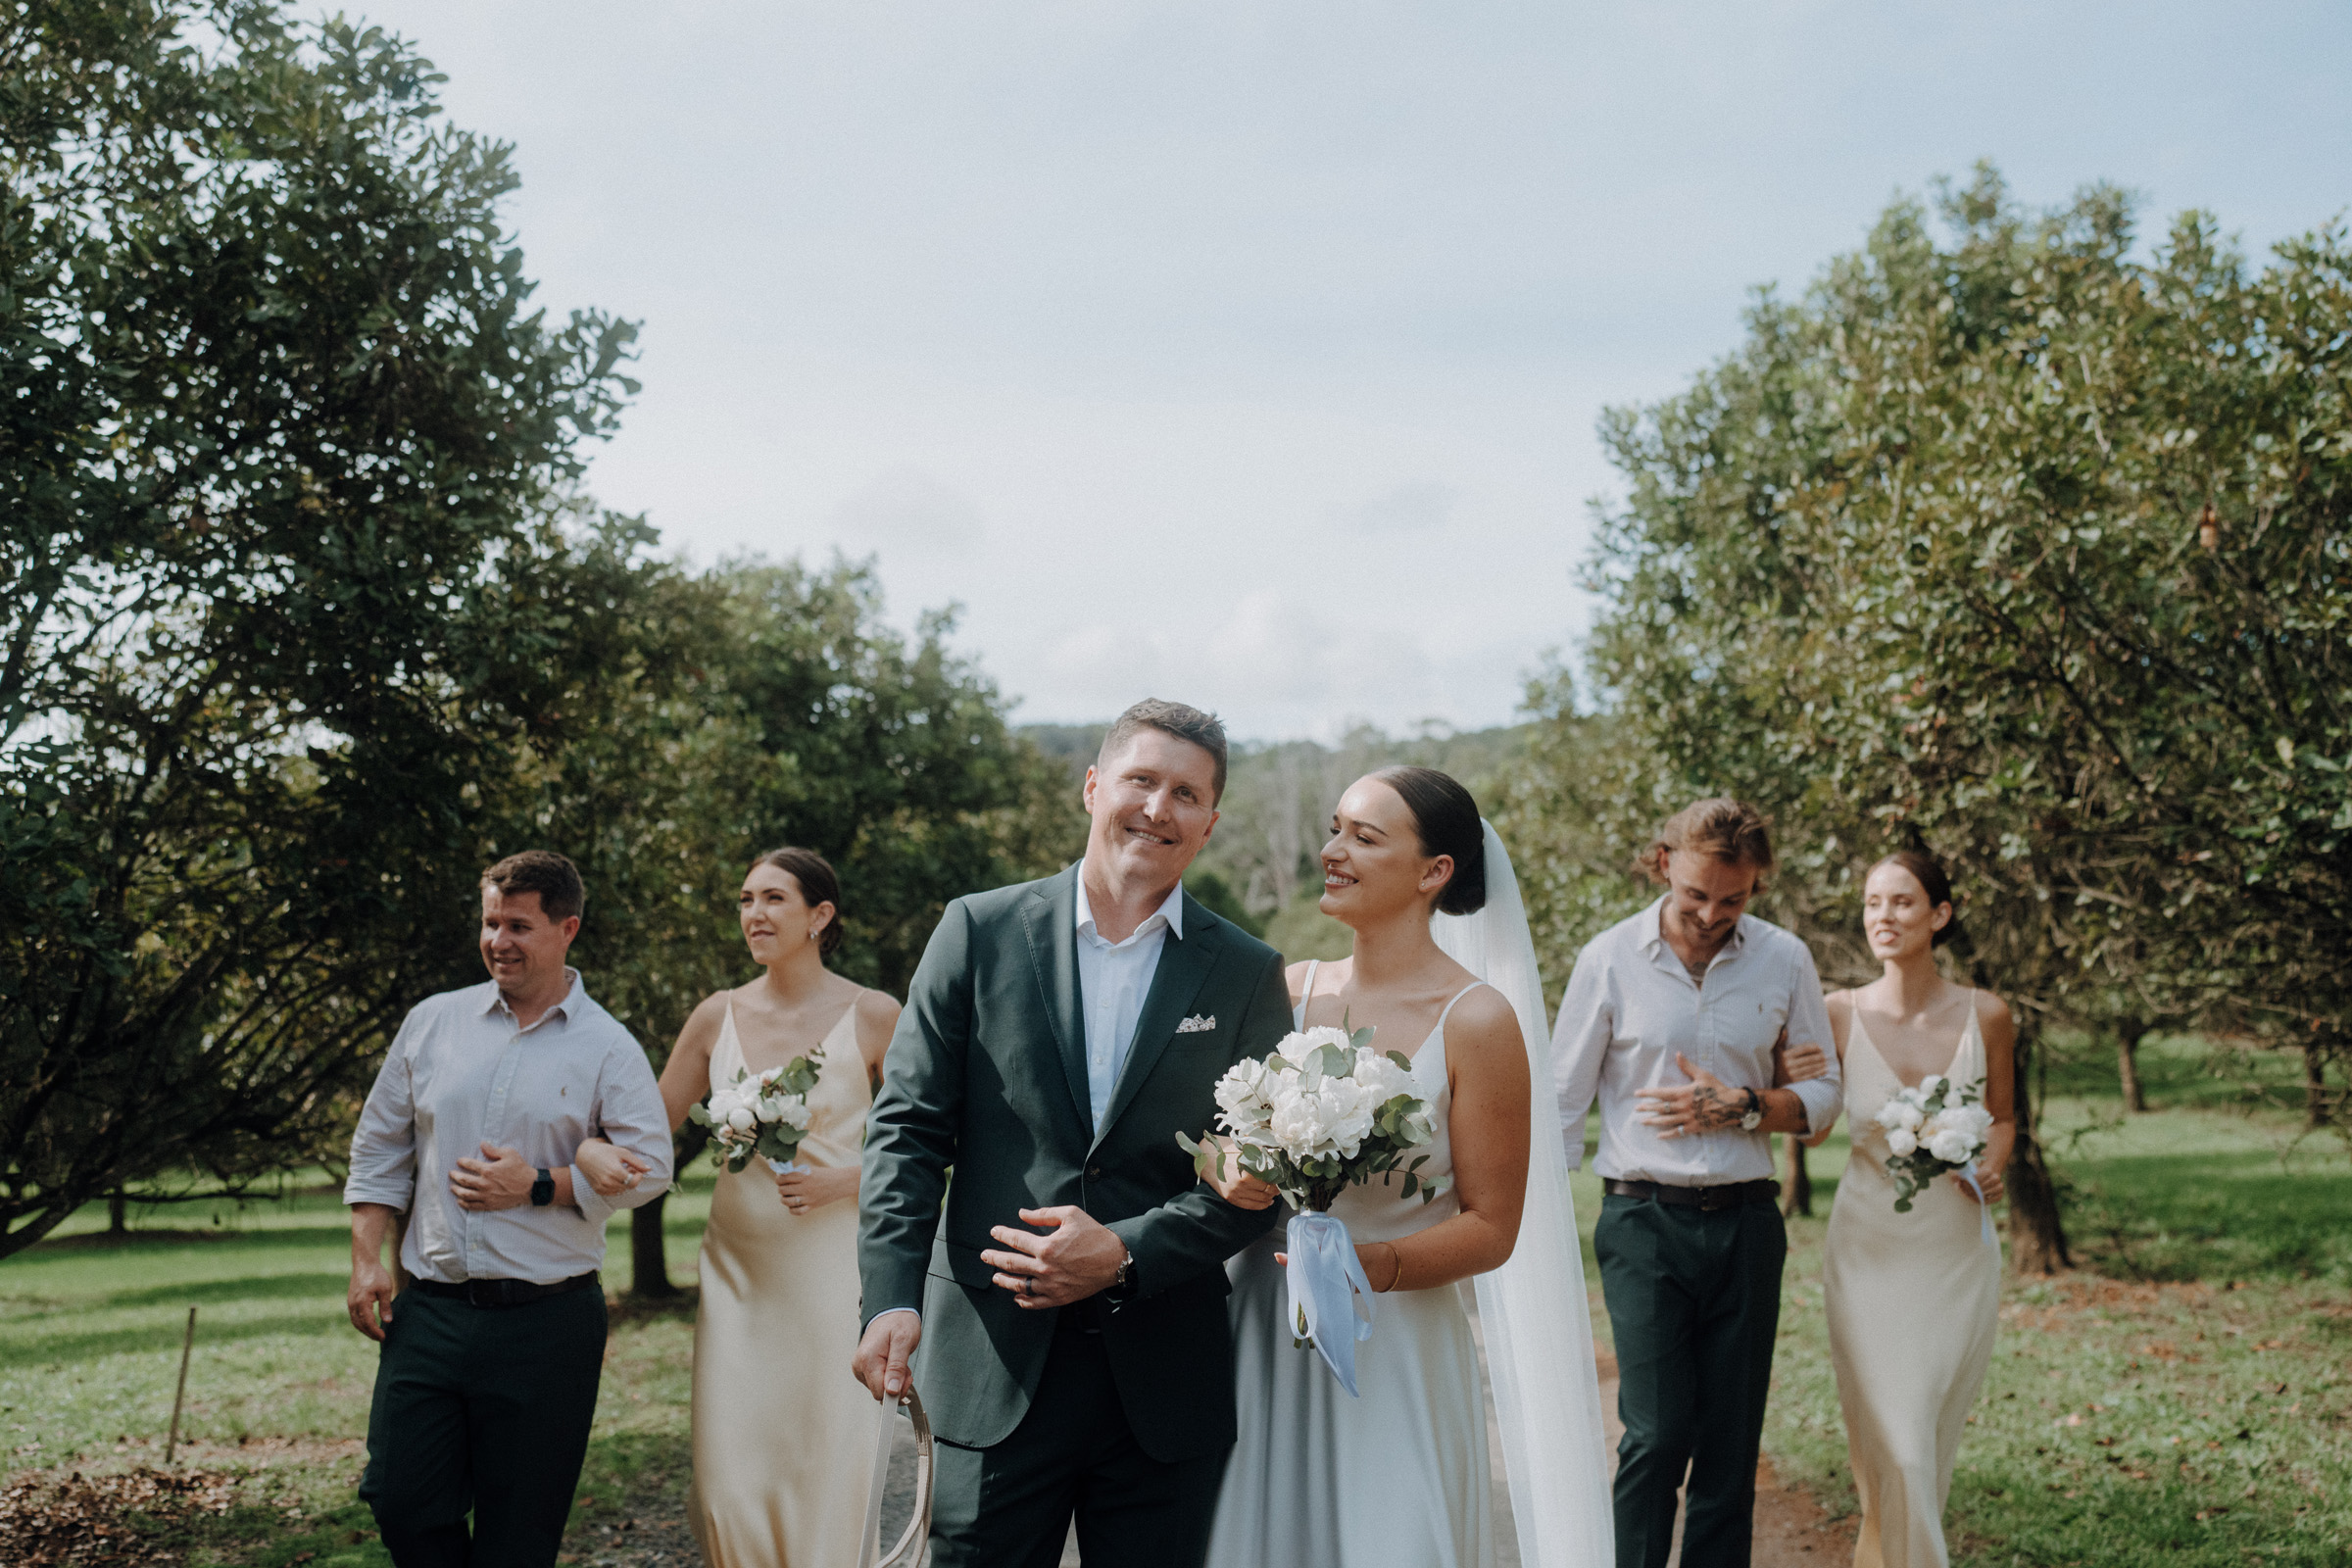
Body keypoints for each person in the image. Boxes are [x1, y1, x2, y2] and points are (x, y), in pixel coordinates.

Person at [854, 698, 1292, 1568]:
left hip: (1164, 1382)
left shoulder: (1247, 972)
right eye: (1141, 780)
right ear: (1094, 787)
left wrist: (1125, 1251)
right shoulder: (976, 931)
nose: (1158, 808)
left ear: (1209, 821)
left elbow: (1262, 1181)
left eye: (1186, 793)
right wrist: (890, 1297)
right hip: (991, 1362)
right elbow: (906, 1130)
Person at [1200, 767, 1615, 1568]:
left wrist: (1367, 1267)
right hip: (1262, 1330)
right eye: (1334, 829)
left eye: (1365, 837)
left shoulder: (1479, 1019)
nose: (1333, 851)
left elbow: (1493, 1229)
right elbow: (1213, 1135)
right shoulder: (1287, 990)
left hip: (1395, 1350)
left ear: (1434, 873)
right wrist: (1229, 1167)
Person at [343, 851, 673, 1568]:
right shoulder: (432, 1023)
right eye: (491, 923)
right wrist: (367, 1260)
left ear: (567, 929)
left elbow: (651, 1173)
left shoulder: (608, 1047)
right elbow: (379, 1150)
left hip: (547, 1328)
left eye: (519, 925)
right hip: (427, 1312)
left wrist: (540, 1186)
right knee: (400, 1498)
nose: (499, 941)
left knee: (518, 1538)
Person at [578, 847, 901, 1568]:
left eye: (774, 899)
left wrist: (844, 1179)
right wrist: (585, 1150)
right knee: (728, 1480)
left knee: (826, 1469)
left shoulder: (875, 1016)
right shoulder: (713, 1016)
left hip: (832, 1281)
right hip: (737, 1282)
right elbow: (644, 1133)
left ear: (821, 915)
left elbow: (940, 1140)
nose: (754, 913)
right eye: (746, 900)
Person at [1552, 800, 1843, 1568]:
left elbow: (1822, 1100)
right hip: (1643, 1221)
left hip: (1748, 1224)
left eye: (1734, 898)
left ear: (1756, 888)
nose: (1713, 913)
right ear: (1661, 865)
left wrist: (1745, 1105)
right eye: (1696, 894)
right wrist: (1536, 1230)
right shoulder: (1607, 959)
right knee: (1655, 1435)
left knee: (1730, 1440)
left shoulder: (1786, 960)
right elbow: (1560, 1104)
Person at [1805, 850, 2014, 1568]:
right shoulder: (1836, 1013)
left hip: (1954, 1256)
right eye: (1871, 904)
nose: (1882, 918)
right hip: (1866, 1257)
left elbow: (2006, 1119)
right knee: (1892, 1448)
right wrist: (1788, 1080)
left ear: (1940, 915)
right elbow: (1815, 1127)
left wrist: (1993, 1165)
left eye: (1900, 902)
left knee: (1924, 1445)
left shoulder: (1987, 1014)